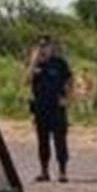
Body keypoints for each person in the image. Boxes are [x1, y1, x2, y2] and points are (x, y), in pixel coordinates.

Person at [24, 36, 73, 183]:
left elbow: (69, 79)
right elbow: (26, 81)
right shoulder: (35, 64)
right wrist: (33, 62)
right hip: (40, 107)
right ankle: (44, 171)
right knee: (42, 140)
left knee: (60, 139)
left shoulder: (59, 63)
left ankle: (62, 172)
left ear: (52, 47)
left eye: (46, 46)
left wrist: (67, 97)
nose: (43, 49)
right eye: (41, 46)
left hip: (56, 107)